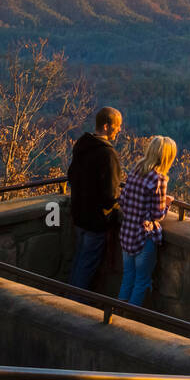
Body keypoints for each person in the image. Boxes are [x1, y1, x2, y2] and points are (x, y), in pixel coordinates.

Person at [66, 107, 123, 291]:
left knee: (78, 260)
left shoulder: (82, 145)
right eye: (118, 126)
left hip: (79, 214)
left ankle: (68, 298)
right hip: (95, 221)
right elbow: (111, 194)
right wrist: (112, 210)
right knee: (86, 265)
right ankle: (74, 307)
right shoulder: (107, 154)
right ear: (106, 126)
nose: (120, 130)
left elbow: (71, 175)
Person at [117, 135, 176, 306]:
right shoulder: (158, 179)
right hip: (143, 236)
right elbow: (157, 215)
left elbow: (122, 200)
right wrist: (167, 204)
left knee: (127, 277)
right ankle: (129, 320)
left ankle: (117, 313)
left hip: (127, 232)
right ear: (167, 157)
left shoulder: (136, 170)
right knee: (141, 281)